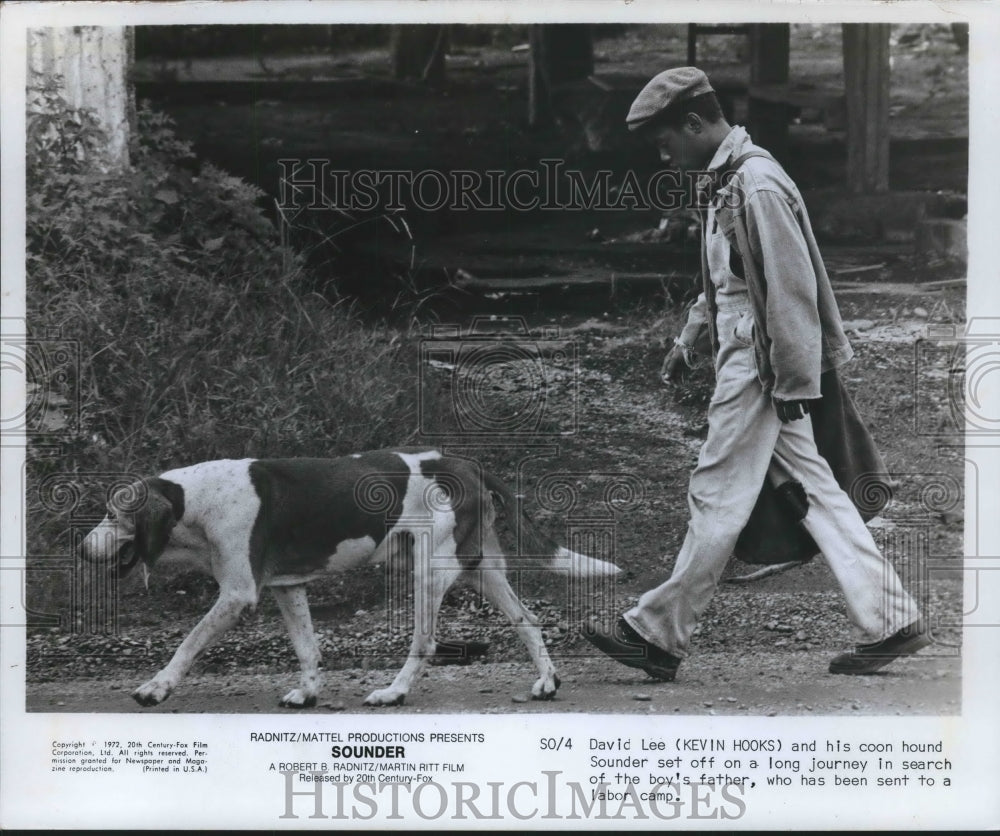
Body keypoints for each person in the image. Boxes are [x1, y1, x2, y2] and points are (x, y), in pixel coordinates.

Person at [582, 67, 930, 679]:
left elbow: (790, 294)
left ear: (695, 123)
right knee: (818, 493)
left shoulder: (757, 185)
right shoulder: (727, 182)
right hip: (750, 351)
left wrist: (794, 382)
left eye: (667, 143)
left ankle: (658, 633)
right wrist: (689, 336)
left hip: (761, 363)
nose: (665, 158)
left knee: (716, 489)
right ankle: (894, 619)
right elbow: (727, 280)